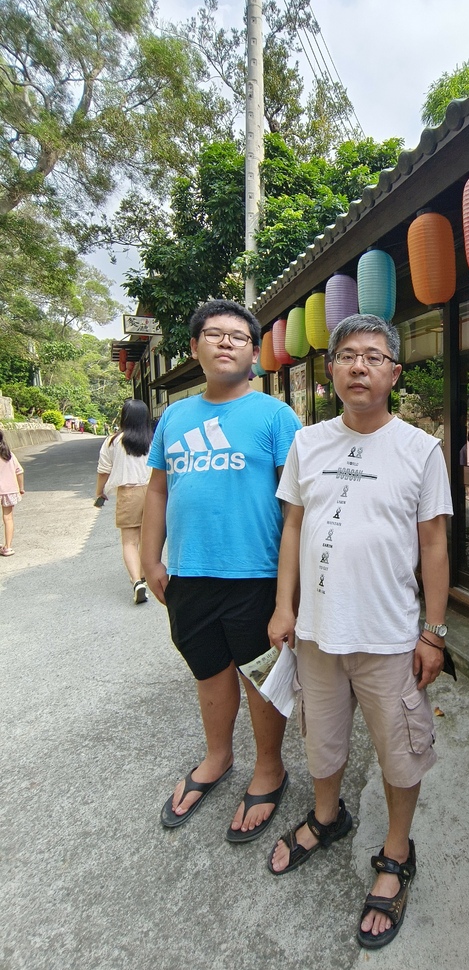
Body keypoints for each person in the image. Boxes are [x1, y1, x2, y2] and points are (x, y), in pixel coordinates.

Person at [267, 313, 453, 950]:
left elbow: (433, 543)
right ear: (332, 371)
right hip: (317, 633)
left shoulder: (419, 449)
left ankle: (396, 850)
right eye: (347, 356)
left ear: (394, 373)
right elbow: (292, 527)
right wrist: (283, 606)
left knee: (400, 746)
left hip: (390, 635)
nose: (358, 367)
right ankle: (327, 816)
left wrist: (433, 632)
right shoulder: (308, 443)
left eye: (373, 357)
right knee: (320, 735)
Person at [141, 298, 301, 841]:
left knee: (261, 680)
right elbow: (159, 490)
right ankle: (217, 757)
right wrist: (149, 559)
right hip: (190, 576)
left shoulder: (276, 416)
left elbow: (295, 509)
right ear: (195, 347)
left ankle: (269, 767)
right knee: (207, 671)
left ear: (255, 353)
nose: (226, 342)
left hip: (255, 575)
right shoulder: (176, 418)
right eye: (214, 334)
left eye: (238, 336)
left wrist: (287, 597)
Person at [95, 399, 153, 603]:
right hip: (153, 492)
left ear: (124, 417)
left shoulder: (113, 441)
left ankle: (137, 582)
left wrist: (99, 492)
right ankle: (145, 577)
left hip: (128, 493)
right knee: (149, 539)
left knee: (130, 541)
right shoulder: (152, 440)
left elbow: (103, 470)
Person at [0, 429, 25, 557]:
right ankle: (8, 547)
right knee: (8, 518)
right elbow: (19, 471)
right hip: (9, 491)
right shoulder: (9, 455)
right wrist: (21, 488)